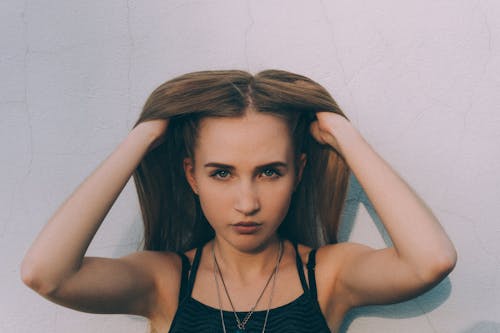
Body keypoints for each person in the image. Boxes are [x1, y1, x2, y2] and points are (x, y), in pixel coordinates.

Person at [20, 69, 457, 333]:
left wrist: (346, 136)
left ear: (298, 172)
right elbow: (46, 274)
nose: (246, 203)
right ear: (192, 175)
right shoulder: (166, 281)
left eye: (270, 171)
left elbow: (431, 261)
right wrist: (142, 137)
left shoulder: (327, 276)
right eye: (221, 173)